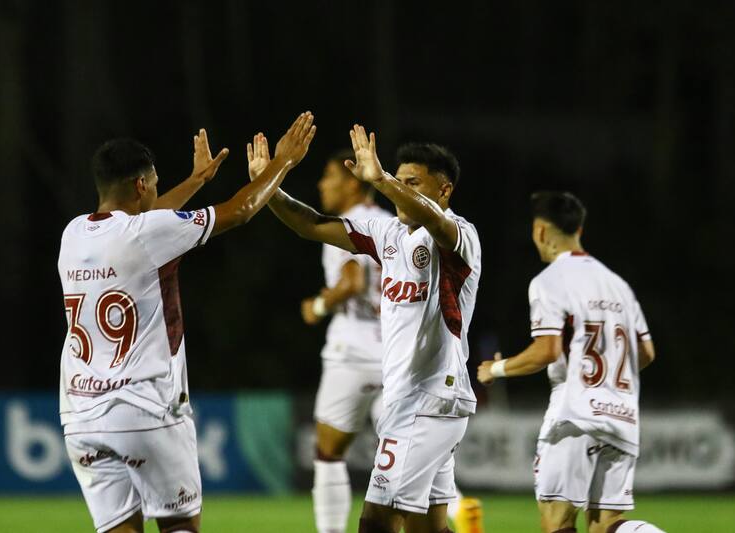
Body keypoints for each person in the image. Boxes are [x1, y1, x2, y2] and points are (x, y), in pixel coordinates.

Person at [58, 112, 316, 533]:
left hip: (81, 416)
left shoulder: (73, 235)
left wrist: (196, 181)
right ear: (141, 185)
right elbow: (240, 210)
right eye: (155, 183)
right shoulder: (145, 235)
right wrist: (283, 161)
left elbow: (145, 224)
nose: (157, 190)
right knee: (180, 525)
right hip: (145, 407)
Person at [248, 125, 481, 533]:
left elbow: (435, 222)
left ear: (444, 190)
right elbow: (311, 225)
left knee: (375, 521)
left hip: (429, 398)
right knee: (427, 528)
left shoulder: (458, 234)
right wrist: (269, 185)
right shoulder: (387, 233)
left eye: (412, 183)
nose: (399, 190)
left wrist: (382, 180)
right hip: (410, 396)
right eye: (398, 180)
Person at [477, 192, 664, 533]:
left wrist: (496, 369)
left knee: (557, 522)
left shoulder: (549, 281)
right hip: (622, 416)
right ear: (579, 229)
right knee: (606, 526)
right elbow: (647, 353)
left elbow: (546, 351)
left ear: (540, 231)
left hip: (574, 417)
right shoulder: (618, 285)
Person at [251, 141, 390, 533]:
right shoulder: (389, 222)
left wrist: (319, 306)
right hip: (395, 353)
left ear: (353, 182)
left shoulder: (347, 226)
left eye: (329, 176)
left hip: (352, 352)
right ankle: (459, 509)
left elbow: (352, 280)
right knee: (403, 451)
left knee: (328, 452)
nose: (321, 184)